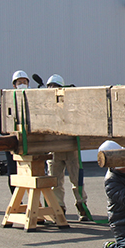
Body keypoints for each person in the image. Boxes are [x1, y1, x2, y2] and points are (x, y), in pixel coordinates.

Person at [44, 74, 89, 221]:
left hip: (70, 149)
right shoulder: (45, 106)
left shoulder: (70, 105)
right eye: (50, 86)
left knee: (77, 180)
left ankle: (82, 207)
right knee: (55, 181)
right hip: (55, 150)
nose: (52, 89)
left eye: (55, 87)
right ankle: (59, 208)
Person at [0, 70, 29, 193]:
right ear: (14, 84)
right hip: (13, 141)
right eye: (20, 82)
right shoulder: (8, 98)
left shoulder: (32, 97)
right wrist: (5, 133)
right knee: (13, 170)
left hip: (29, 141)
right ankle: (15, 198)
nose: (22, 84)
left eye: (25, 82)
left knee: (30, 170)